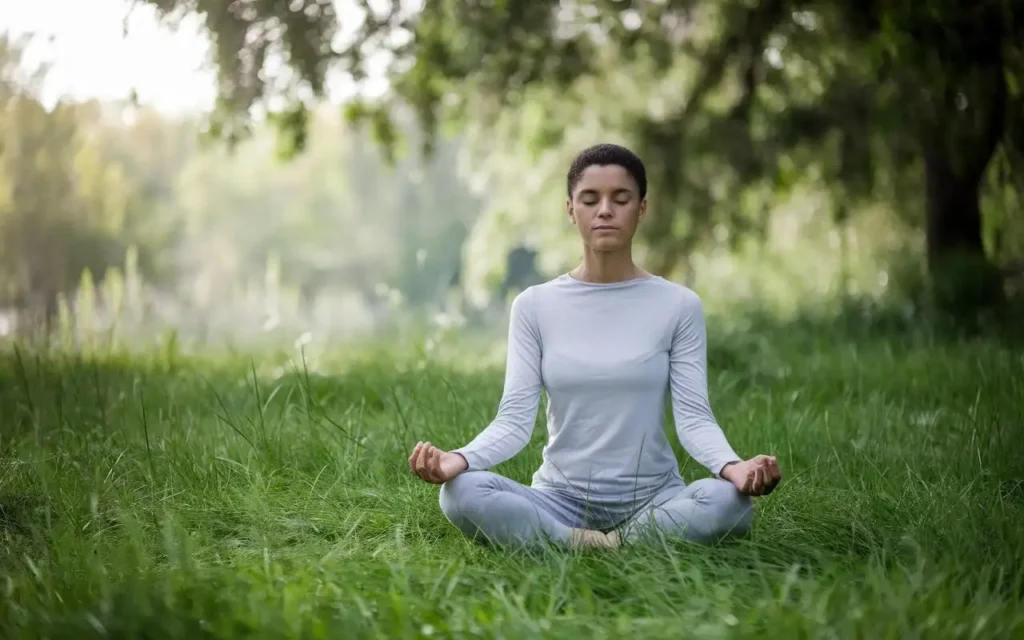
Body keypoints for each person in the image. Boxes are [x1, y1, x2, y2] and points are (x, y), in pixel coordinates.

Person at [407, 143, 781, 549]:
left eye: (621, 199)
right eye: (590, 199)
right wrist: (455, 461)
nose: (605, 210)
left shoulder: (678, 305)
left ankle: (607, 543)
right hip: (558, 499)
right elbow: (514, 421)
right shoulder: (534, 306)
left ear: (641, 208)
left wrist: (733, 467)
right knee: (461, 493)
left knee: (731, 503)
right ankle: (584, 541)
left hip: (654, 498)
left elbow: (694, 419)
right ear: (571, 209)